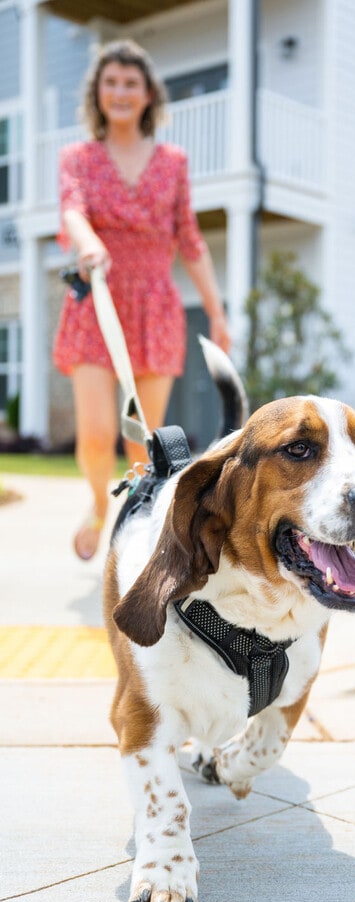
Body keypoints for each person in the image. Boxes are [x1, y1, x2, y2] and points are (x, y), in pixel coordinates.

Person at [53, 39, 231, 561]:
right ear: (97, 94)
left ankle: (132, 533)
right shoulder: (77, 157)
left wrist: (217, 314)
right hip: (98, 304)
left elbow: (191, 241)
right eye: (111, 82)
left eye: (131, 82)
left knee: (141, 440)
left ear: (149, 93)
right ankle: (95, 500)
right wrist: (88, 243)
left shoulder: (173, 162)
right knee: (95, 433)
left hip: (154, 308)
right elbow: (72, 210)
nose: (121, 92)